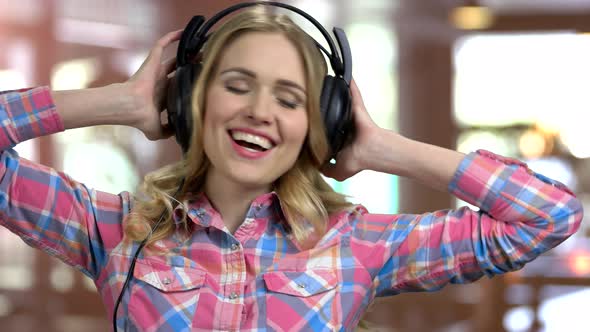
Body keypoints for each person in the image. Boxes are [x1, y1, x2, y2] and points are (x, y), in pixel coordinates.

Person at [0, 4, 583, 332]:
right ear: (191, 102)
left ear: (321, 122)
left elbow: (546, 218)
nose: (259, 112)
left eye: (289, 98)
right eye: (237, 86)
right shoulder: (116, 231)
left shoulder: (357, 246)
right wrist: (115, 102)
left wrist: (381, 147)